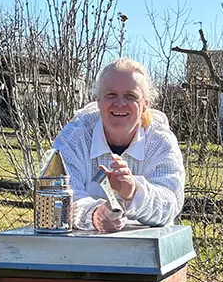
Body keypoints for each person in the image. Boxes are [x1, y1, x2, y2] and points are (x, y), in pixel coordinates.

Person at [52, 57, 185, 231]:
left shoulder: (161, 142)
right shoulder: (74, 138)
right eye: (111, 95)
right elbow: (59, 195)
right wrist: (95, 215)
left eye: (130, 96)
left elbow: (170, 203)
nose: (120, 103)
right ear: (98, 101)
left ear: (145, 105)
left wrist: (133, 192)